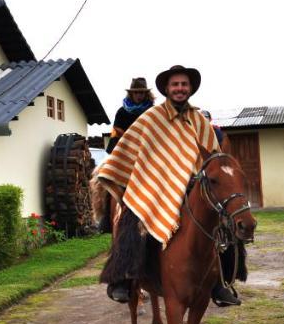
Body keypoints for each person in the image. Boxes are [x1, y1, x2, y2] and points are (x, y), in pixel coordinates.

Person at [96, 64, 243, 307]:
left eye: (184, 84)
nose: (180, 88)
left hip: (189, 183)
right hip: (152, 183)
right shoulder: (151, 118)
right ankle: (123, 277)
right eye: (175, 84)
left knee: (223, 217)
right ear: (167, 88)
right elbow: (125, 148)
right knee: (131, 216)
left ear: (190, 89)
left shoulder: (198, 120)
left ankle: (221, 283)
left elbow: (212, 157)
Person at [106, 78, 155, 153]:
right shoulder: (121, 112)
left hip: (147, 151)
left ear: (146, 94)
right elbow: (116, 134)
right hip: (125, 151)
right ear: (131, 94)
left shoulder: (152, 111)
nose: (138, 95)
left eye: (141, 92)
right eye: (135, 92)